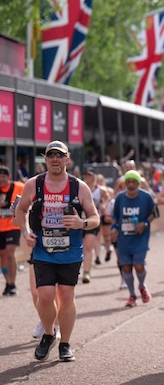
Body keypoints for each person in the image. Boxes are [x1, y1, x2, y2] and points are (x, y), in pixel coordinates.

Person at [15, 141, 100, 361]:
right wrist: (25, 232)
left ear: (67, 159)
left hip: (70, 251)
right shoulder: (34, 184)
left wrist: (81, 223)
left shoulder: (78, 186)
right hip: (43, 249)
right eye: (51, 155)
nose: (55, 159)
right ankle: (49, 334)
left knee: (66, 296)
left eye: (59, 155)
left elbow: (94, 218)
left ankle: (65, 344)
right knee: (44, 296)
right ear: (45, 158)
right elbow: (21, 209)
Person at [111, 170, 156, 307]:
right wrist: (113, 228)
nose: (130, 185)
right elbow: (115, 216)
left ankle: (142, 286)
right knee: (126, 267)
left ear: (138, 183)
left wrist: (145, 223)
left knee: (138, 265)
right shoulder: (120, 198)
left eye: (133, 182)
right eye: (128, 182)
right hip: (124, 238)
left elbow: (155, 213)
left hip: (140, 238)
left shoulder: (146, 197)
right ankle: (132, 295)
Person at [0, 166, 24, 295]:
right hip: (0, 228)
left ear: (9, 177)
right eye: (0, 176)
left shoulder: (18, 187)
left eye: (4, 176)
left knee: (10, 253)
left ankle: (13, 283)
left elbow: (29, 195)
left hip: (12, 226)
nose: (1, 179)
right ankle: (7, 281)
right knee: (2, 257)